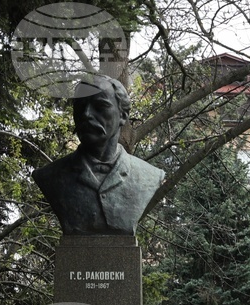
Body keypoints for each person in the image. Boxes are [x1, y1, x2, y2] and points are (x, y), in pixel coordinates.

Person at [32, 75, 164, 236]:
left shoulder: (148, 176)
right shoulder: (50, 176)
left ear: (122, 116)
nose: (87, 114)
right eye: (80, 107)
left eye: (100, 106)